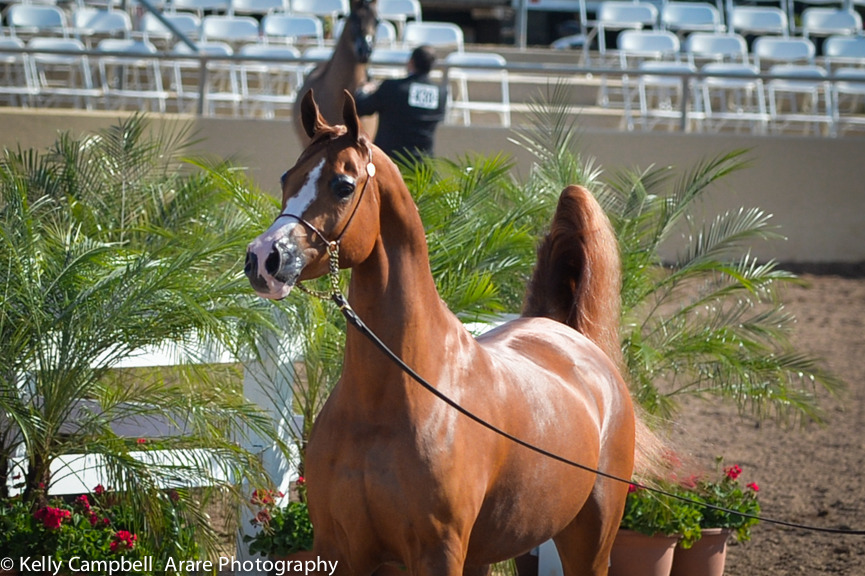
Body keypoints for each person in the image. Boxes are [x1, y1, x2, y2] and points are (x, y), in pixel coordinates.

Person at [354, 45, 448, 162]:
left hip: (390, 165)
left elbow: (361, 107)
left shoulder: (393, 88)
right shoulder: (441, 93)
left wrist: (363, 90)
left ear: (411, 62)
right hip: (423, 169)